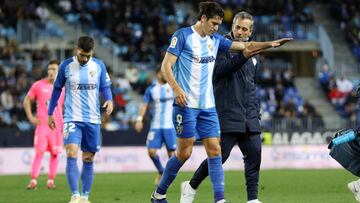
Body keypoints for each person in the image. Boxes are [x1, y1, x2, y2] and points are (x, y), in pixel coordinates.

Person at [150, 2, 292, 203]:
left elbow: (246, 46)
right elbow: (166, 66)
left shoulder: (215, 40)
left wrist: (271, 44)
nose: (217, 29)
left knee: (216, 152)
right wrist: (176, 88)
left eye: (219, 25)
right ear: (204, 19)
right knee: (184, 153)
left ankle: (220, 200)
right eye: (214, 24)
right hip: (186, 104)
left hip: (208, 106)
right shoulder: (182, 36)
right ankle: (159, 194)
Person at [180, 11, 263, 203]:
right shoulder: (219, 45)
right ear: (232, 26)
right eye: (237, 27)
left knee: (254, 154)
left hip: (249, 115)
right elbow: (221, 70)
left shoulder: (253, 55)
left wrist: (256, 109)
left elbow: (251, 84)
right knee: (220, 156)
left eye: (244, 29)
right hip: (225, 113)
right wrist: (243, 54)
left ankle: (252, 199)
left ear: (250, 31)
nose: (240, 32)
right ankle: (191, 185)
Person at [48, 36, 113, 203]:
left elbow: (105, 86)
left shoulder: (98, 65)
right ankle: (75, 195)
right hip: (72, 118)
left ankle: (85, 197)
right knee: (71, 152)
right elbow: (56, 89)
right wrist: (50, 113)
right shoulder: (65, 66)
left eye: (88, 56)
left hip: (92, 119)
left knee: (88, 158)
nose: (85, 59)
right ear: (77, 49)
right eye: (82, 55)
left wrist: (109, 100)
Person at [24, 59, 64, 190]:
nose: (51, 72)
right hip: (42, 126)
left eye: (54, 69)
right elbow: (26, 101)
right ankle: (33, 180)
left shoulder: (63, 88)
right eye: (50, 69)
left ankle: (50, 181)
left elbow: (66, 106)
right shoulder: (38, 85)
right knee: (39, 152)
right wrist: (30, 117)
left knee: (55, 154)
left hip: (57, 127)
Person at [134, 68, 177, 185]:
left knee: (172, 154)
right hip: (156, 125)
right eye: (163, 73)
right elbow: (144, 105)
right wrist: (139, 119)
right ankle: (161, 171)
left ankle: (168, 177)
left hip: (170, 126)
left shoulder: (174, 86)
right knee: (151, 151)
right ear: (158, 74)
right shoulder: (152, 89)